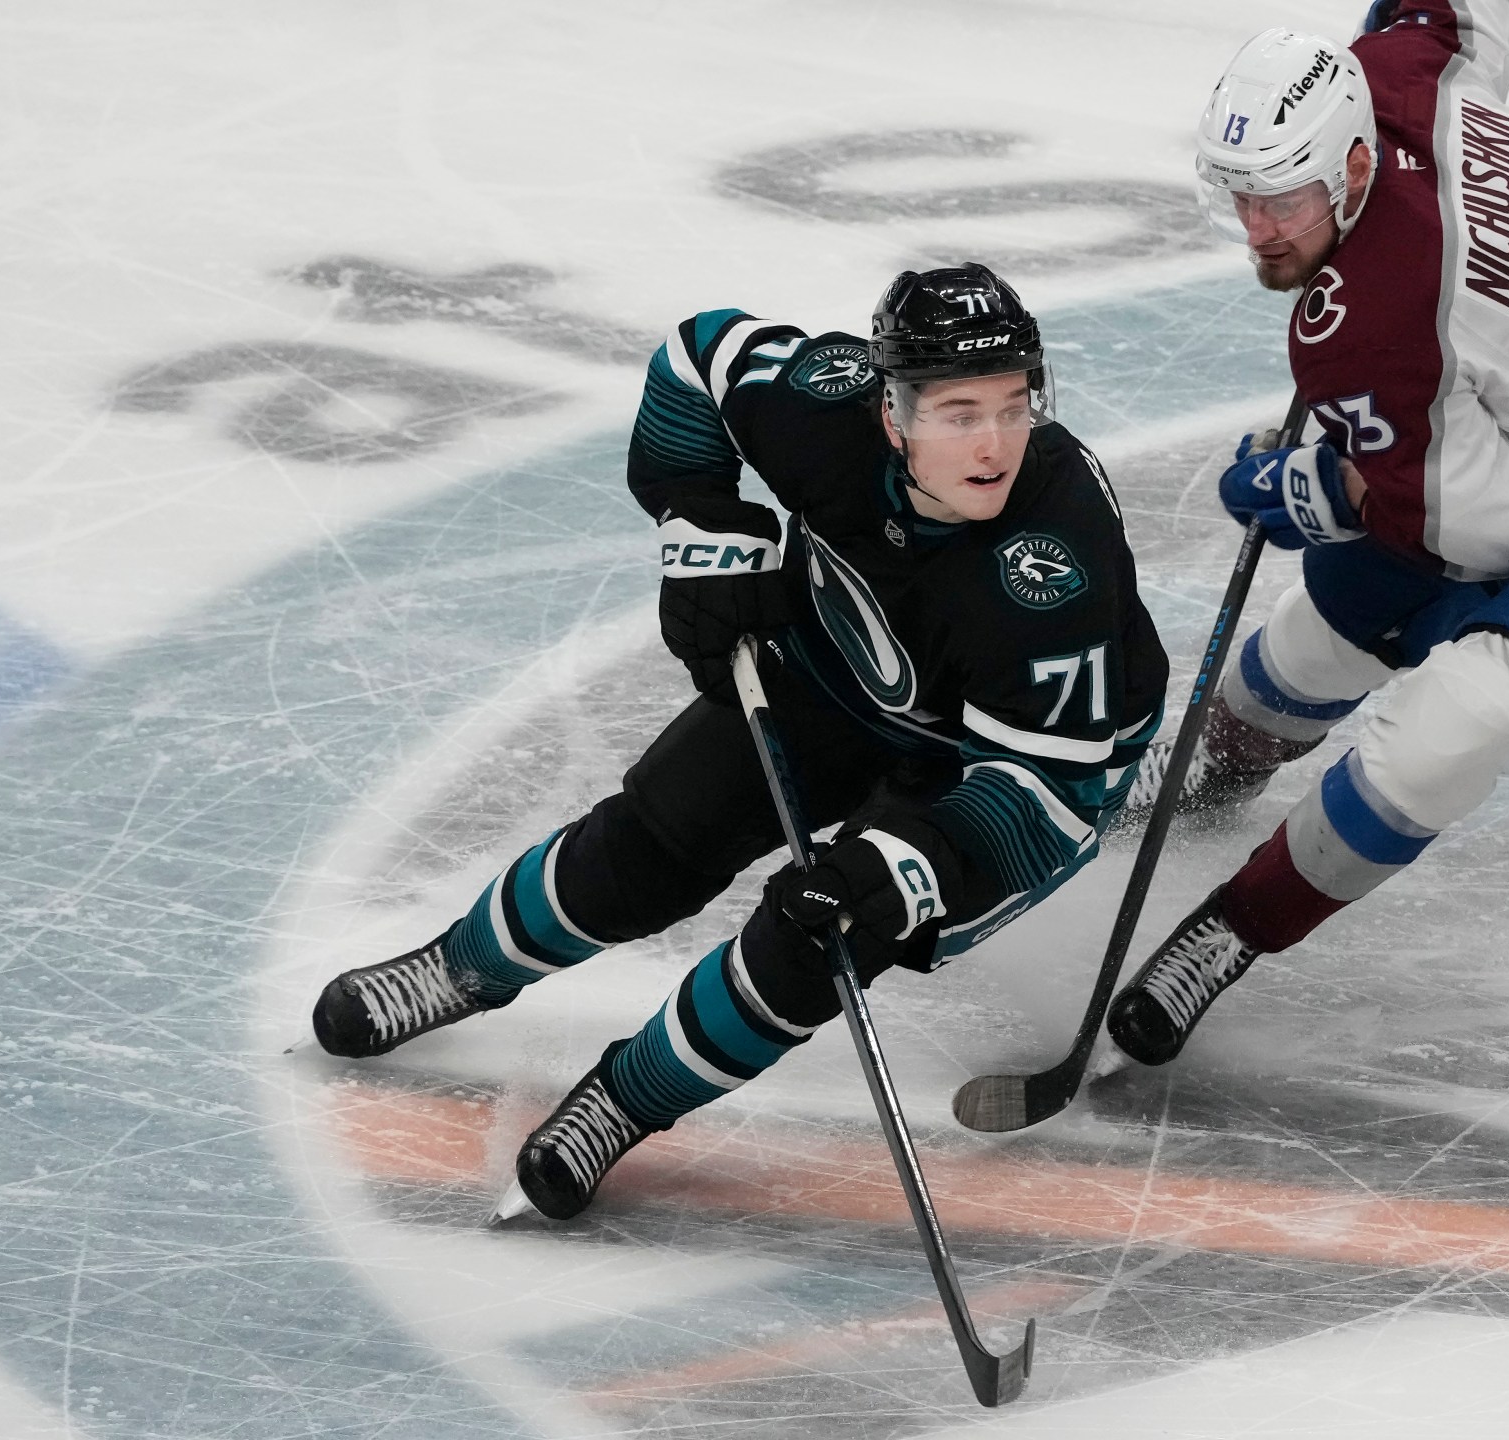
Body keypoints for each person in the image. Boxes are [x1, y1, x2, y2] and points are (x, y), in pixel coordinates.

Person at [311, 264, 1167, 1218]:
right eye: (960, 412)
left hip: (996, 774)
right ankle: (461, 967)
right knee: (652, 840)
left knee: (810, 941)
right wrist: (698, 513)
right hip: (835, 675)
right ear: (891, 411)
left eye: (1015, 406)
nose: (996, 443)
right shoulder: (824, 406)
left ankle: (623, 1103)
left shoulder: (1050, 564)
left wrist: (902, 866)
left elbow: (1049, 793)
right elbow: (698, 355)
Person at [1107, 1, 1509, 1065]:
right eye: (1243, 196)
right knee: (1327, 624)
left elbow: (1481, 538)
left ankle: (1235, 926)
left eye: (1283, 198)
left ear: (1356, 164)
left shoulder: (1371, 324)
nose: (1258, 229)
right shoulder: (1402, 66)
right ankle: (1214, 768)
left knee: (1456, 724)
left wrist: (1315, 487)